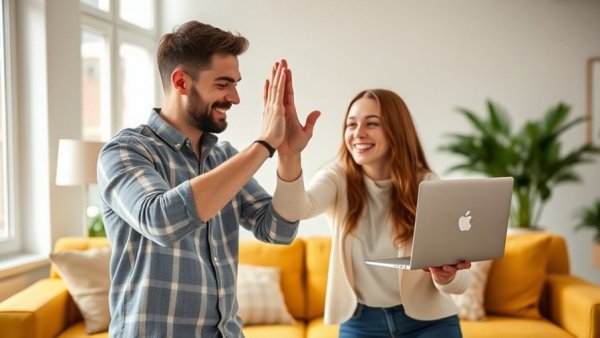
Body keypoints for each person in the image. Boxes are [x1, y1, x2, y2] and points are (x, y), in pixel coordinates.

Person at [97, 21, 319, 337]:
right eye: (223, 84)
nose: (235, 97)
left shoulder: (224, 158)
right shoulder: (124, 151)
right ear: (182, 82)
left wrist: (287, 154)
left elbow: (279, 231)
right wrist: (264, 144)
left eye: (236, 84)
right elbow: (161, 220)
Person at [273, 89, 472, 338]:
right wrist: (289, 154)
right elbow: (293, 210)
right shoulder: (337, 178)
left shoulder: (428, 184)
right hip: (361, 323)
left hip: (429, 322)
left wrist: (447, 276)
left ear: (396, 130)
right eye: (351, 124)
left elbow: (462, 283)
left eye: (372, 124)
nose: (358, 133)